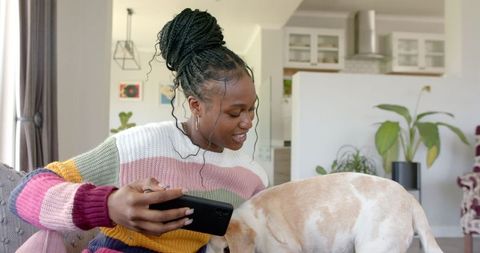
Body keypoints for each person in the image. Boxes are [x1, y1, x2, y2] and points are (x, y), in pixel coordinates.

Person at [9, 8, 268, 253]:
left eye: (251, 109)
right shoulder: (139, 147)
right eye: (235, 113)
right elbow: (25, 192)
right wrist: (109, 205)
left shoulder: (253, 177)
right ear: (196, 105)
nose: (248, 122)